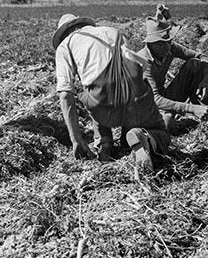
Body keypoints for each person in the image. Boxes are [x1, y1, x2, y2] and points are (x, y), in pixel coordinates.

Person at [52, 13, 170, 174]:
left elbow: (65, 95)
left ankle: (105, 147)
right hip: (134, 92)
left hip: (102, 100)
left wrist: (76, 140)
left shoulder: (65, 47)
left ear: (63, 34)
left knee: (92, 91)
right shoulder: (112, 31)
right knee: (161, 133)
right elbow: (135, 67)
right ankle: (146, 139)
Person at [138, 15, 208, 129]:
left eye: (169, 41)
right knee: (166, 123)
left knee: (194, 64)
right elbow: (155, 99)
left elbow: (200, 56)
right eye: (161, 43)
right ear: (151, 44)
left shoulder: (170, 47)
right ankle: (182, 122)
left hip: (164, 97)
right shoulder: (143, 62)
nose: (167, 46)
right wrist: (190, 108)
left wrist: (207, 78)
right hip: (145, 107)